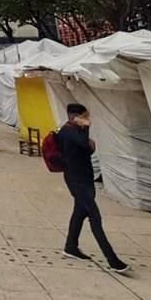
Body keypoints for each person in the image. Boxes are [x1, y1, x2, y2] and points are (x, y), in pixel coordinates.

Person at [58, 103, 130, 273]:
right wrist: (86, 130)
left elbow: (84, 150)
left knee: (79, 213)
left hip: (84, 178)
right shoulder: (68, 131)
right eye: (85, 116)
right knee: (95, 218)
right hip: (77, 180)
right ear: (76, 117)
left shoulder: (72, 132)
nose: (89, 120)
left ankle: (71, 247)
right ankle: (112, 259)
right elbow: (83, 144)